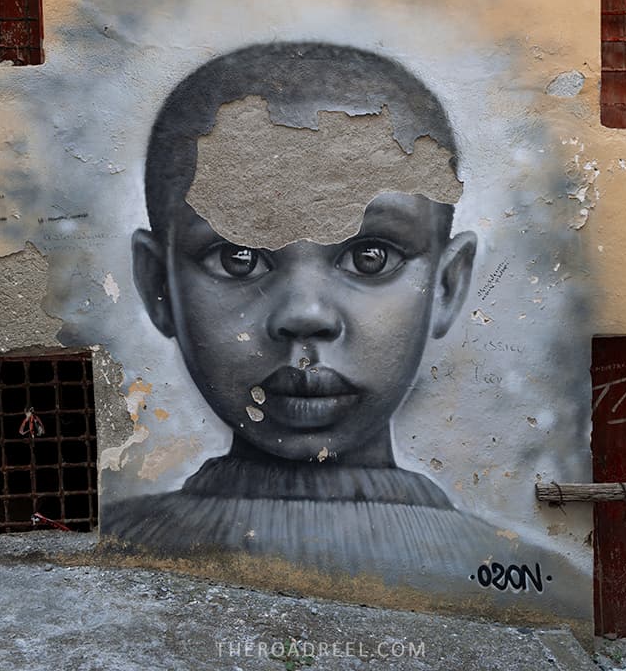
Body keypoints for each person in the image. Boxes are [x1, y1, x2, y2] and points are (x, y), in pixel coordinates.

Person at [102, 42, 588, 619]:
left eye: (370, 258)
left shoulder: (558, 603)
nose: (306, 315)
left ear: (447, 286)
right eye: (238, 258)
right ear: (159, 286)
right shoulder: (82, 576)